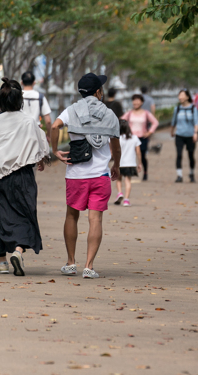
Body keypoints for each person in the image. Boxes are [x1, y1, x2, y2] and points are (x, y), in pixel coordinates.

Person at [50, 73, 122, 279]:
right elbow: (115, 146)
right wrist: (116, 165)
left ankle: (71, 263)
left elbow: (54, 126)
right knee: (95, 219)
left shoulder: (71, 110)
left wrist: (55, 150)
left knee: (72, 216)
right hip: (100, 175)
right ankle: (89, 266)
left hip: (76, 175)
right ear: (98, 92)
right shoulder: (109, 114)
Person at [0, 79, 49, 277]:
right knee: (24, 215)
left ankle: (2, 262)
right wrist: (40, 161)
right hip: (23, 177)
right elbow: (40, 144)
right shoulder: (28, 121)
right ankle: (18, 251)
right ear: (20, 102)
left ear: (1, 101)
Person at [122, 94, 159, 181]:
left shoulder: (146, 113)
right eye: (134, 100)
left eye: (138, 100)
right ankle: (129, 172)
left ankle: (145, 172)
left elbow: (155, 122)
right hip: (131, 138)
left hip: (142, 138)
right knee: (129, 155)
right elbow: (121, 121)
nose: (136, 102)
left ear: (142, 102)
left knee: (142, 155)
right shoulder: (129, 113)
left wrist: (149, 132)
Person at [171, 89, 198, 183]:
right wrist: (172, 131)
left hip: (190, 135)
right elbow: (173, 121)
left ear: (187, 97)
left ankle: (191, 173)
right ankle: (179, 175)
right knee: (179, 155)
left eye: (182, 95)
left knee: (191, 155)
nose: (180, 97)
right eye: (179, 95)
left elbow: (196, 122)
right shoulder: (177, 109)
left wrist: (195, 133)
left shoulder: (193, 109)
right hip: (179, 135)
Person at [115, 119, 141, 207]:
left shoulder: (117, 139)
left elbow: (115, 151)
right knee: (128, 181)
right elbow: (138, 152)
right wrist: (140, 163)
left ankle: (119, 193)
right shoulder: (134, 138)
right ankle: (126, 200)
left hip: (120, 163)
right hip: (131, 163)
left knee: (118, 179)